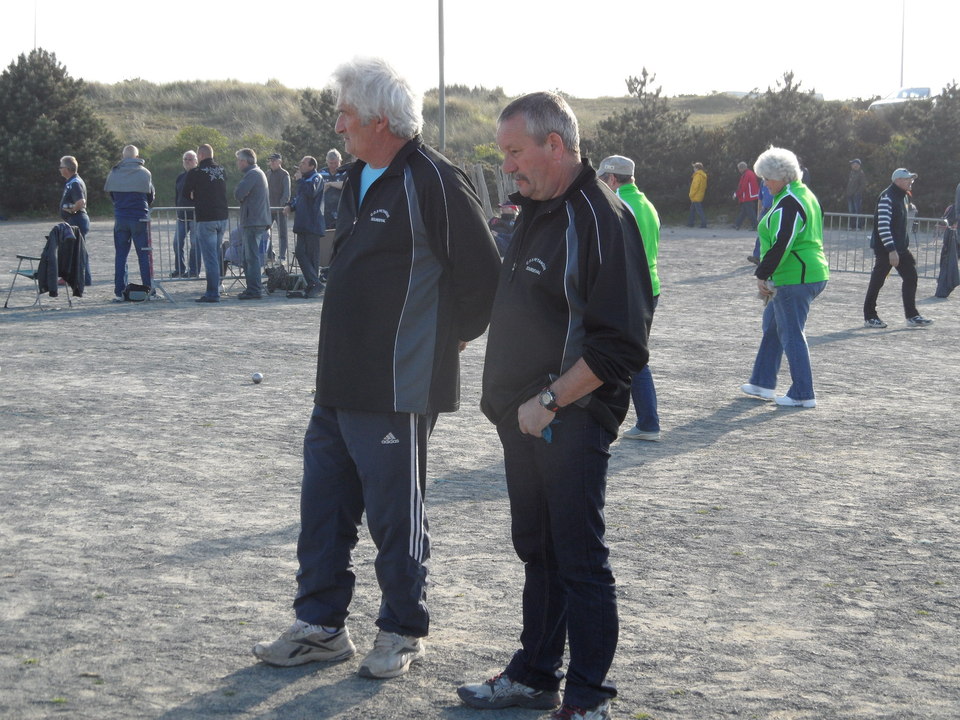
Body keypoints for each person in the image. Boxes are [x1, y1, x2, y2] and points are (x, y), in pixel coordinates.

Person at [252, 57, 501, 680]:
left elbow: (485, 279)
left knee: (395, 513)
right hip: (337, 381)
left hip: (398, 385)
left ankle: (401, 629)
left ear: (381, 119)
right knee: (324, 506)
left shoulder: (436, 180)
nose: (337, 127)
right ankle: (320, 627)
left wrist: (445, 344)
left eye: (345, 115)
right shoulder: (361, 174)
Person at [458, 92, 651, 720]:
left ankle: (589, 697)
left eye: (515, 152)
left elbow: (621, 344)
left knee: (578, 556)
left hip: (566, 417)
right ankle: (536, 673)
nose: (507, 166)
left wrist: (548, 401)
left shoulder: (601, 216)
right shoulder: (538, 207)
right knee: (538, 548)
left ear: (556, 145)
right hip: (524, 419)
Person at [740, 147, 829, 409]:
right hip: (804, 272)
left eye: (767, 178)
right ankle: (762, 382)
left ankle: (803, 393)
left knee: (791, 334)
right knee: (772, 326)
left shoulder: (790, 200)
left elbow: (783, 243)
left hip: (795, 277)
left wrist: (762, 274)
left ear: (783, 176)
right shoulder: (803, 194)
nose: (764, 184)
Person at [598, 154, 661, 442]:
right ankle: (645, 421)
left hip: (630, 288)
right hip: (651, 285)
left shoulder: (619, 204)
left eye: (602, 180)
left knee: (633, 356)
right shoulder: (647, 204)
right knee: (632, 353)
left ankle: (648, 422)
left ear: (612, 179)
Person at [862, 168, 934, 328]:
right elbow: (883, 226)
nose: (911, 182)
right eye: (908, 179)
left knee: (911, 277)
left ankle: (912, 315)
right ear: (898, 181)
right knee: (877, 281)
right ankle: (869, 316)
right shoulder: (887, 197)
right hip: (887, 249)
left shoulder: (902, 197)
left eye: (911, 179)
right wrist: (891, 250)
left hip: (900, 247)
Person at [104, 145, 155, 302]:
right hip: (140, 219)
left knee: (121, 255)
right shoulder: (145, 173)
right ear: (137, 156)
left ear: (123, 156)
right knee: (144, 256)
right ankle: (149, 290)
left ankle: (120, 291)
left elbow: (111, 196)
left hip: (121, 219)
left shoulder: (114, 173)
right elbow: (150, 196)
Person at [184, 144, 228, 303]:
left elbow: (186, 194)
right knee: (215, 255)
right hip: (222, 217)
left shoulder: (195, 173)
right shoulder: (222, 170)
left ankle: (212, 293)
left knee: (210, 258)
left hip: (206, 217)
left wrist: (197, 199)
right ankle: (216, 288)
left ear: (200, 155)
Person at [285, 156, 326, 298]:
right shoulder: (303, 180)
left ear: (311, 166)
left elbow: (311, 192)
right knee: (301, 253)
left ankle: (315, 284)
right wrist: (290, 206)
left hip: (312, 224)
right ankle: (313, 284)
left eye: (303, 163)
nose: (300, 165)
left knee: (311, 256)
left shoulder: (316, 177)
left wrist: (299, 180)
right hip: (302, 224)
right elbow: (299, 198)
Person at [234, 148, 271, 300]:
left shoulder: (252, 174)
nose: (237, 164)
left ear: (244, 161)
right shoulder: (257, 173)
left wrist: (241, 193)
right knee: (249, 257)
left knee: (251, 257)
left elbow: (238, 193)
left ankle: (254, 290)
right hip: (257, 220)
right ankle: (252, 289)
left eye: (238, 160)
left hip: (253, 221)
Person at [172, 150, 199, 278]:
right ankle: (179, 269)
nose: (187, 162)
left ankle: (194, 270)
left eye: (190, 159)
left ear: (196, 161)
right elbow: (177, 196)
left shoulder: (200, 176)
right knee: (177, 243)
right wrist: (177, 210)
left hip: (195, 217)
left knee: (195, 243)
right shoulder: (179, 177)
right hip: (181, 217)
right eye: (185, 159)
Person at [58, 155, 90, 241]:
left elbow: (81, 202)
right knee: (75, 251)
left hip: (77, 220)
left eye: (61, 167)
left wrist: (72, 210)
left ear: (67, 169)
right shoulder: (72, 181)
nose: (59, 169)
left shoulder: (74, 183)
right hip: (75, 220)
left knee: (77, 251)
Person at [267, 153, 291, 262]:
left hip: (280, 210)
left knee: (282, 234)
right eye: (271, 160)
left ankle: (282, 256)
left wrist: (281, 207)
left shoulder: (284, 174)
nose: (272, 162)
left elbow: (286, 193)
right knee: (266, 233)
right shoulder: (267, 174)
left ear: (280, 162)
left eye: (274, 160)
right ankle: (269, 255)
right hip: (268, 209)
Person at [320, 148, 348, 228]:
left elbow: (346, 184)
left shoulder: (345, 172)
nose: (333, 166)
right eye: (330, 163)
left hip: (341, 210)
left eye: (336, 163)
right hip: (325, 211)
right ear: (327, 162)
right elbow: (318, 190)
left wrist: (330, 184)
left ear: (340, 161)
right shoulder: (322, 173)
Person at [935, 200, 958, 298]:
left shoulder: (953, 207)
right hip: (953, 236)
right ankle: (943, 287)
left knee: (947, 263)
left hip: (953, 236)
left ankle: (944, 287)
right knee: (947, 263)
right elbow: (946, 221)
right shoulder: (953, 208)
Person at [748, 182, 774, 264]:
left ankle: (770, 257)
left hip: (774, 210)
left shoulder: (778, 180)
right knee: (761, 233)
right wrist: (759, 213)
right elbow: (760, 198)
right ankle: (757, 256)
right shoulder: (763, 182)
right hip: (764, 210)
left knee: (773, 234)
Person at [733, 161, 760, 230]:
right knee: (744, 211)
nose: (739, 171)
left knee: (750, 212)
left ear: (741, 168)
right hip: (753, 195)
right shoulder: (751, 173)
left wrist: (737, 194)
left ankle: (755, 226)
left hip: (748, 196)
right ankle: (737, 224)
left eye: (739, 169)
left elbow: (743, 186)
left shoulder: (746, 175)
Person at [846, 159, 867, 230]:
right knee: (851, 211)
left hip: (856, 196)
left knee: (857, 210)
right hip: (850, 195)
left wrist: (857, 193)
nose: (852, 165)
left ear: (857, 165)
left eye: (853, 164)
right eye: (852, 164)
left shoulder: (861, 173)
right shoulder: (851, 173)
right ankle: (852, 226)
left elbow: (863, 185)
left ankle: (859, 226)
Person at [687, 161, 708, 228]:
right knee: (692, 210)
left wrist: (691, 194)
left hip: (695, 196)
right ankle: (690, 223)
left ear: (697, 168)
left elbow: (695, 186)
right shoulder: (703, 176)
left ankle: (703, 223)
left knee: (699, 211)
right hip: (699, 195)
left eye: (694, 168)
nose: (693, 169)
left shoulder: (697, 176)